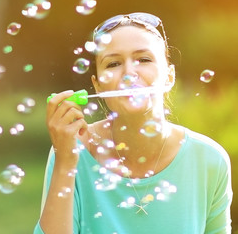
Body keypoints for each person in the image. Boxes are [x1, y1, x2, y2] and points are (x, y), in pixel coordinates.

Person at [33, 12, 233, 234]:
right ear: (97, 86)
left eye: (144, 59)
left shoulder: (209, 159)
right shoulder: (72, 150)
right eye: (113, 63)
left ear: (169, 76)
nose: (129, 73)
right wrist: (65, 162)